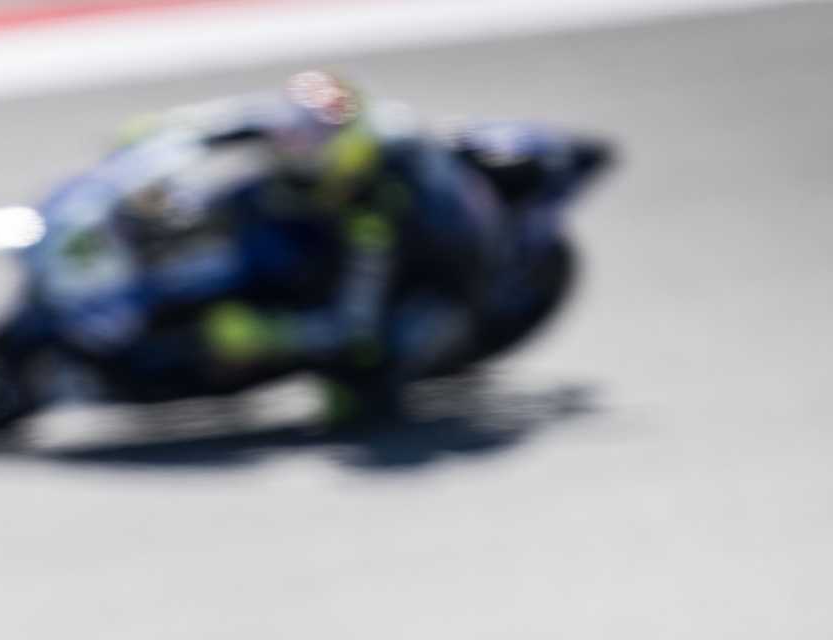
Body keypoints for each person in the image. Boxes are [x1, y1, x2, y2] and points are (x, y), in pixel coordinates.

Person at [72, 70, 507, 399]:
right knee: (243, 203)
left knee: (360, 379)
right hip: (334, 216)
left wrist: (265, 333)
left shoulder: (373, 225)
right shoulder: (321, 129)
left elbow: (353, 325)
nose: (290, 162)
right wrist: (160, 131)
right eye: (287, 151)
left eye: (305, 167)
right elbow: (245, 120)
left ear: (343, 168)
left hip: (433, 277)